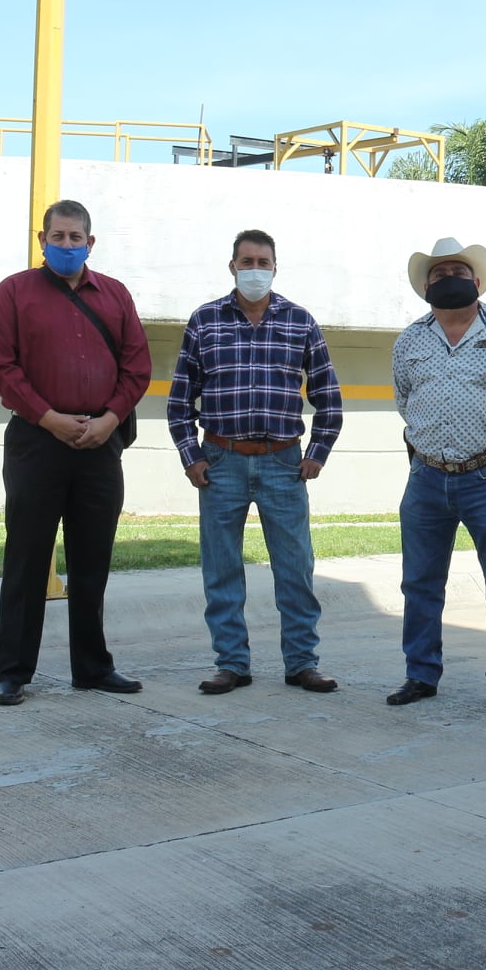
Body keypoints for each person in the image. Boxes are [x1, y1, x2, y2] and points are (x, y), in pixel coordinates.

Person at [0, 199, 151, 706]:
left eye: (77, 238)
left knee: (93, 558)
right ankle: (12, 671)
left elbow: (136, 366)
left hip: (100, 440)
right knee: (28, 557)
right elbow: (0, 365)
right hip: (37, 439)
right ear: (42, 240)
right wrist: (48, 417)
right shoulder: (13, 292)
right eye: (59, 237)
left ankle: (92, 668)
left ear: (90, 243)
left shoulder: (115, 296)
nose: (68, 246)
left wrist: (110, 420)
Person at [167, 229, 344, 697]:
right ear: (232, 267)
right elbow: (179, 400)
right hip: (221, 460)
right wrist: (191, 457)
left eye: (263, 262)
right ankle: (231, 663)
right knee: (222, 569)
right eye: (246, 262)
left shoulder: (300, 321)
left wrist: (316, 455)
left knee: (295, 568)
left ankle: (303, 662)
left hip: (283, 463)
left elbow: (329, 397)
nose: (254, 270)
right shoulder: (204, 321)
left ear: (275, 267)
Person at [387, 237, 486, 713]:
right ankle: (420, 674)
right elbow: (403, 400)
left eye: (456, 272)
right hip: (426, 478)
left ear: (476, 282)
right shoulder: (410, 340)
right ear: (426, 287)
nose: (447, 279)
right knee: (419, 583)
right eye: (437, 274)